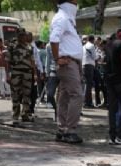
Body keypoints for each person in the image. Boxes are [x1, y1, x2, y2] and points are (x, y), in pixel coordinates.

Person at [50, 0, 84, 144]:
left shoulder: (67, 18)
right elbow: (53, 39)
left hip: (70, 63)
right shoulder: (62, 17)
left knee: (64, 97)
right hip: (68, 63)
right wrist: (57, 58)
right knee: (77, 95)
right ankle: (70, 131)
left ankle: (62, 129)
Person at [7, 30, 36, 127]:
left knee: (27, 94)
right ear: (17, 35)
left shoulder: (29, 47)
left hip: (27, 73)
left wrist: (34, 74)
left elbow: (32, 61)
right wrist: (8, 74)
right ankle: (15, 116)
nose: (22, 37)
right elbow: (7, 61)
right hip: (16, 72)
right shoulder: (12, 46)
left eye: (23, 35)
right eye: (20, 35)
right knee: (15, 94)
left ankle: (25, 114)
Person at [82, 34, 97, 107]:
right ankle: (87, 102)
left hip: (83, 66)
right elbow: (94, 57)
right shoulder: (91, 46)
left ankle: (86, 102)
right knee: (89, 85)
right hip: (89, 66)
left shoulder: (84, 46)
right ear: (93, 40)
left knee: (85, 84)